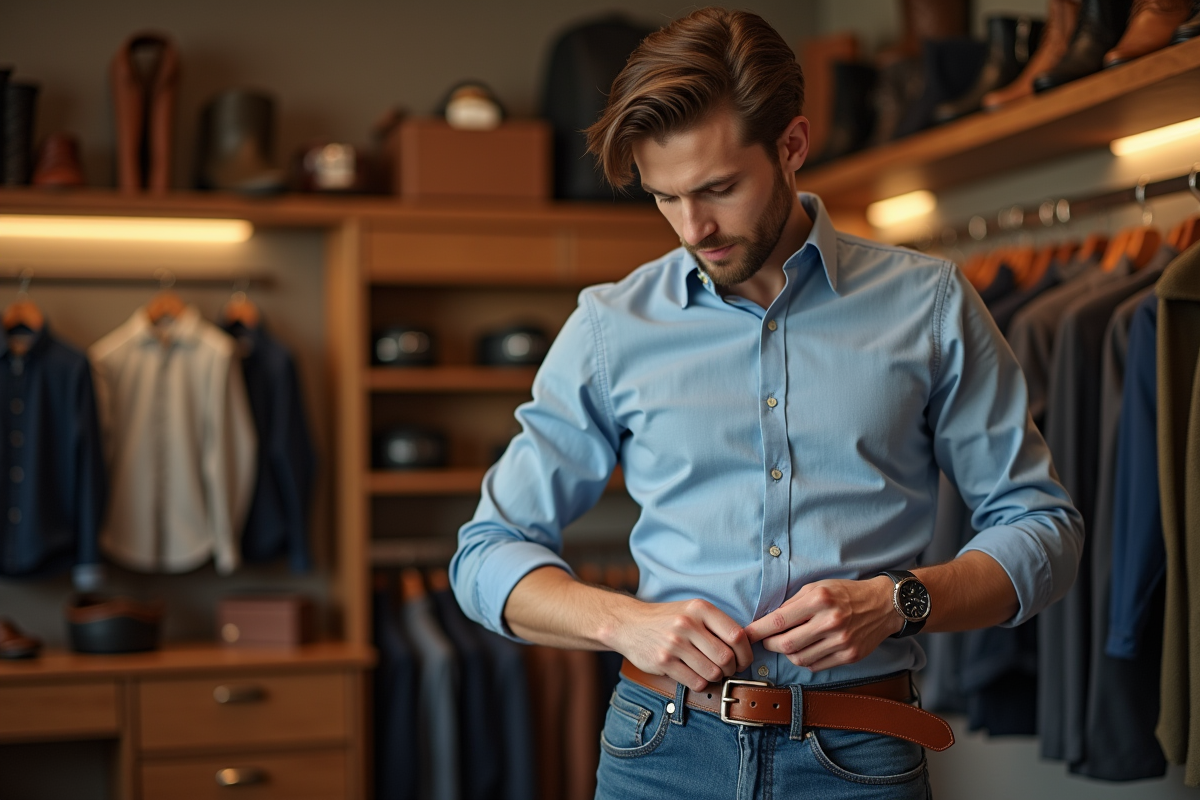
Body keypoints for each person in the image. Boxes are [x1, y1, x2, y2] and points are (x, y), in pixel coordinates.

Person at [451, 7, 1083, 798]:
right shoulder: (611, 325)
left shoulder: (929, 304)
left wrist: (898, 602)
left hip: (859, 755)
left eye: (718, 188)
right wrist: (623, 621)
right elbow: (486, 552)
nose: (694, 228)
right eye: (665, 197)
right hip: (660, 752)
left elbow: (1045, 531)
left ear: (792, 147)